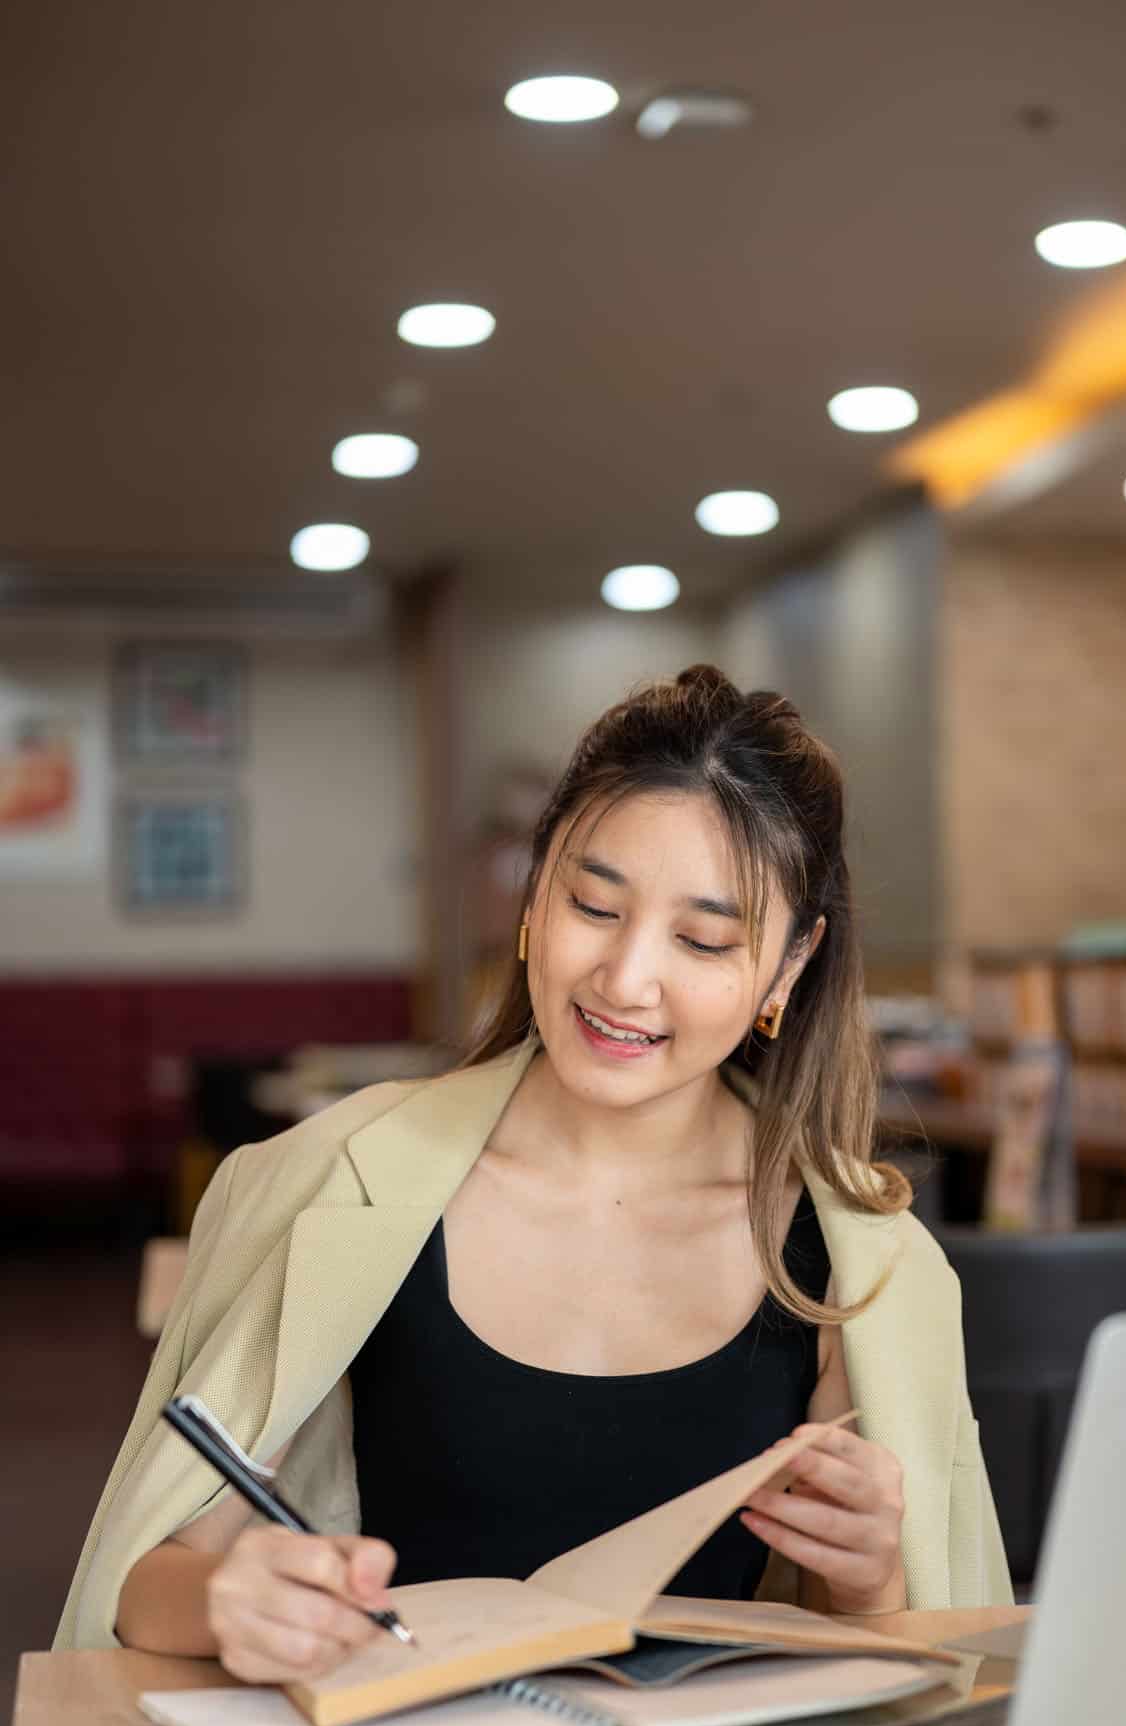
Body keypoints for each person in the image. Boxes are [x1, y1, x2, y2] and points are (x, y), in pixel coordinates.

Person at [57, 665, 1011, 1675]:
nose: (624, 978)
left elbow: (895, 1681)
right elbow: (135, 1588)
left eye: (701, 939)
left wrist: (868, 1581)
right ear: (533, 893)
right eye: (592, 906)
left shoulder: (860, 1266)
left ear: (785, 967)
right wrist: (227, 1600)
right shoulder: (321, 1185)